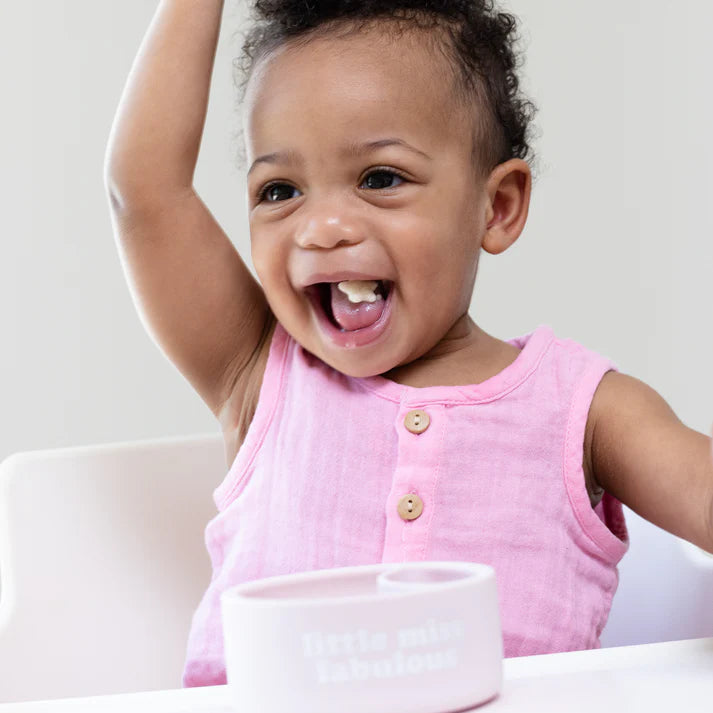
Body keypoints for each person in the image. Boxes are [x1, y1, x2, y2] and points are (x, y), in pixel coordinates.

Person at [104, 0, 713, 688]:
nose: (322, 227)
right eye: (279, 190)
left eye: (379, 178)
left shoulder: (587, 408)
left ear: (498, 206)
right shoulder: (258, 371)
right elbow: (145, 188)